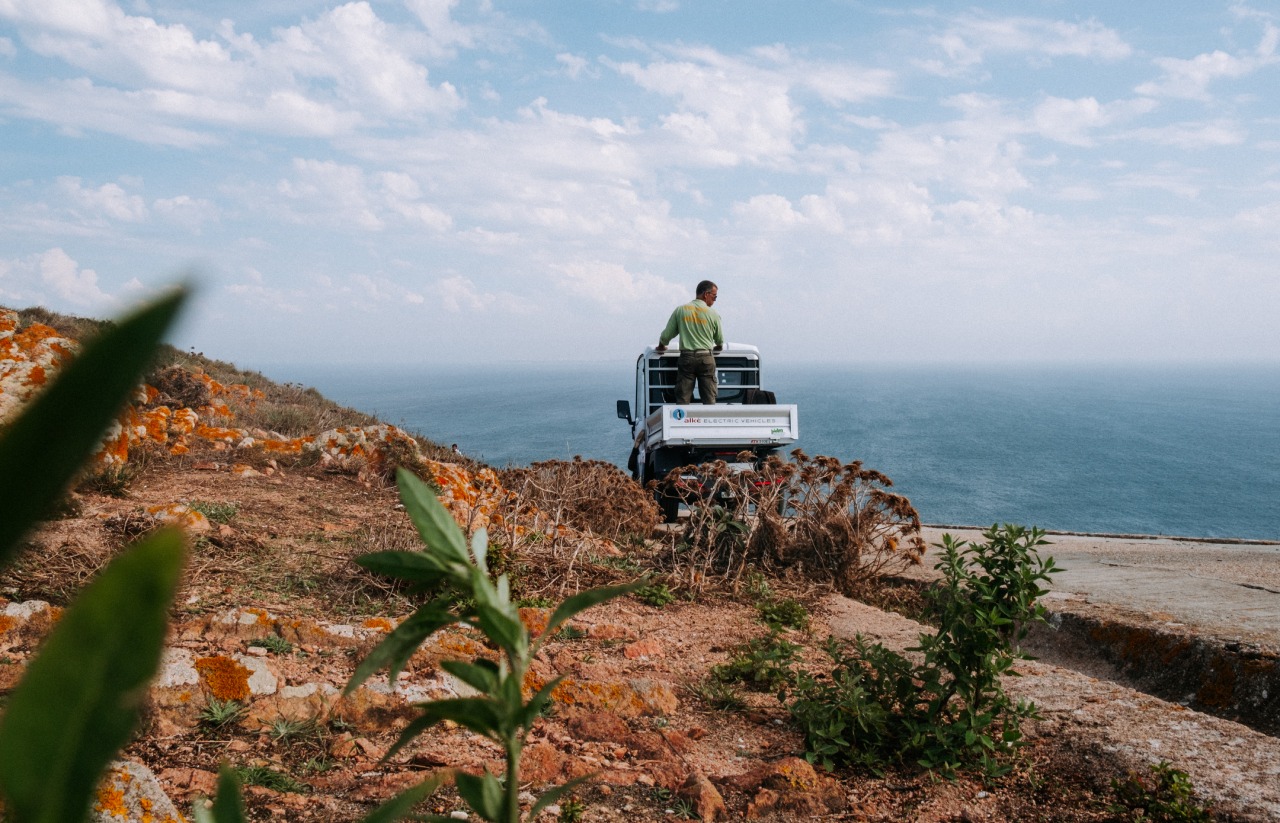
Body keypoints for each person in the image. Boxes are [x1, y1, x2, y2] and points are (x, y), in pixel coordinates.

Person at [655, 280, 723, 405]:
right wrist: (718, 347)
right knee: (709, 398)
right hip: (706, 358)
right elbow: (719, 339)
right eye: (714, 297)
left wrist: (661, 345)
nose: (714, 301)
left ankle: (682, 421)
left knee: (682, 398)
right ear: (706, 294)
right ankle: (707, 422)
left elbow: (666, 335)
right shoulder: (713, 313)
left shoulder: (681, 310)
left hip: (687, 358)